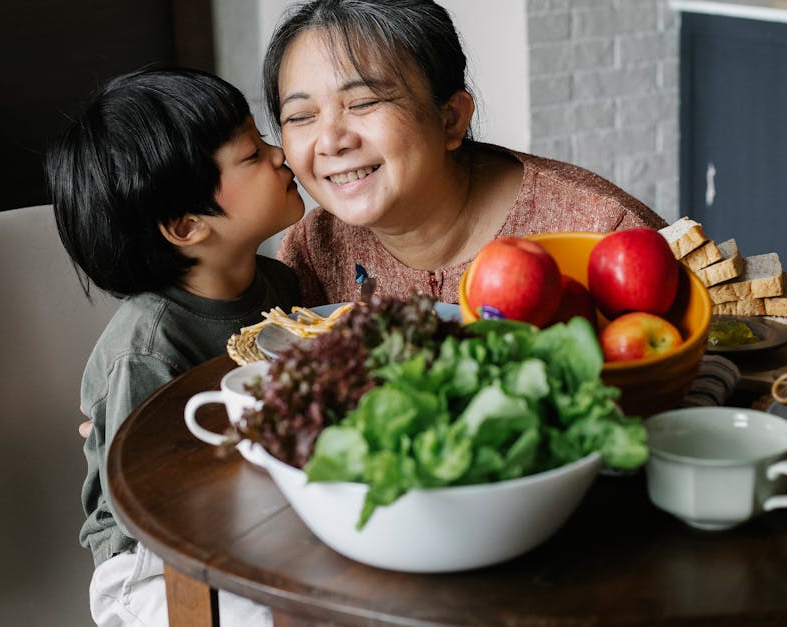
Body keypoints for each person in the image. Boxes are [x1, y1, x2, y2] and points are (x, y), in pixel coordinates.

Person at [46, 67, 304, 626]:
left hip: (247, 524)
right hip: (147, 562)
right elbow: (145, 502)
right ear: (187, 226)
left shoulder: (280, 289)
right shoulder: (149, 346)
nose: (281, 153)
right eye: (252, 154)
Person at [262, 0, 668, 306]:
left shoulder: (603, 231)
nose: (331, 141)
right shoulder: (314, 248)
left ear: (451, 118)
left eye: (364, 103)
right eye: (300, 116)